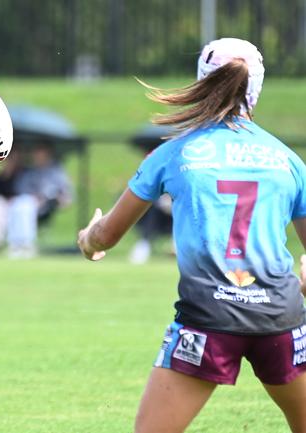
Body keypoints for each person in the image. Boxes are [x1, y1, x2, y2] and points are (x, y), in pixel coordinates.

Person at [77, 37, 306, 433]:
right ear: (257, 87)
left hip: (209, 319)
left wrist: (88, 239)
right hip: (281, 318)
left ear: (202, 79)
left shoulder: (175, 152)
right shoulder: (288, 159)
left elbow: (108, 235)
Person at [0, 143, 73, 258]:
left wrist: (50, 199)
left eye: (40, 153)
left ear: (48, 154)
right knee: (3, 204)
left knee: (25, 204)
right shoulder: (29, 172)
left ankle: (25, 245)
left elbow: (66, 196)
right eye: (36, 153)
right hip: (21, 202)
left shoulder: (56, 172)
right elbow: (19, 189)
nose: (37, 156)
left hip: (44, 206)